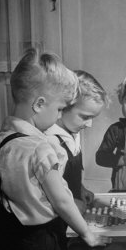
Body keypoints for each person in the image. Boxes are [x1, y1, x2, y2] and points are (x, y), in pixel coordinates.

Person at [0, 49, 111, 250]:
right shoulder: (40, 148)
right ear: (39, 104)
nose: (60, 115)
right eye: (60, 109)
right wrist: (86, 232)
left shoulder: (5, 137)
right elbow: (61, 198)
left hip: (12, 240)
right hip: (41, 242)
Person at [45, 70, 109, 212]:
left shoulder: (73, 133)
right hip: (58, 213)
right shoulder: (50, 141)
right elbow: (46, 192)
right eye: (85, 117)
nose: (89, 124)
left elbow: (68, 176)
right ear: (63, 108)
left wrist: (80, 188)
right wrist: (72, 203)